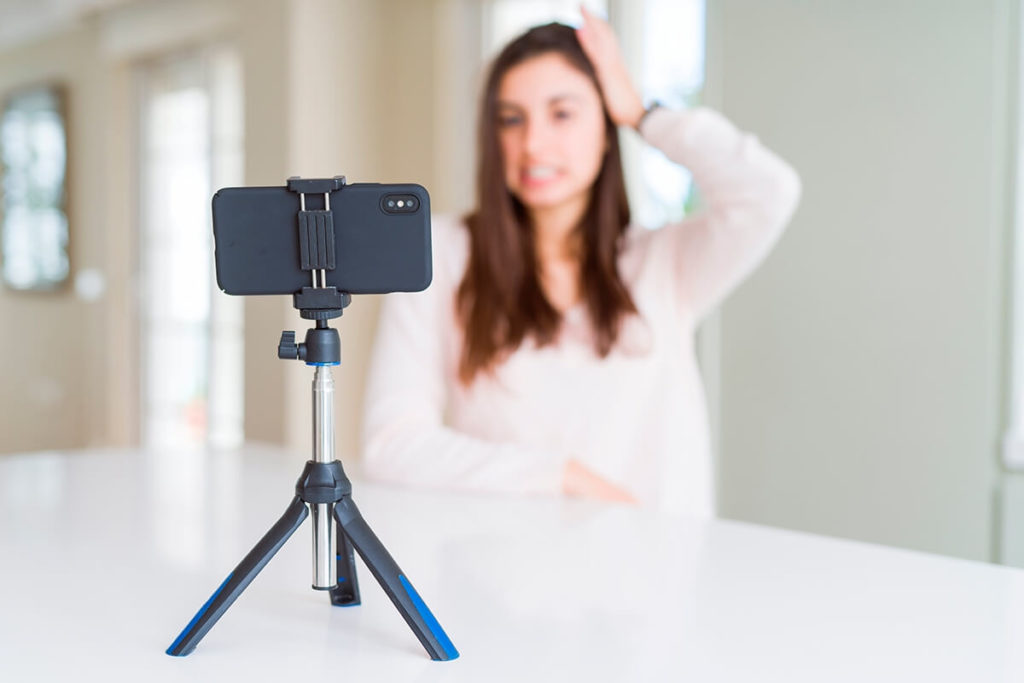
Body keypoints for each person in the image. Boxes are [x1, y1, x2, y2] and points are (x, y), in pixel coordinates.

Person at [360, 8, 800, 517]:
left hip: (651, 579)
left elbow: (769, 191)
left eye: (562, 113)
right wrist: (560, 476)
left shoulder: (663, 263)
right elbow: (391, 445)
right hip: (497, 576)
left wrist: (642, 114)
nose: (532, 144)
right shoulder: (441, 253)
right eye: (511, 119)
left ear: (606, 124)